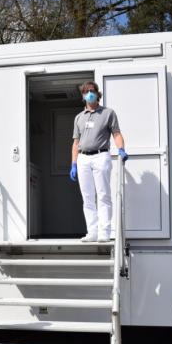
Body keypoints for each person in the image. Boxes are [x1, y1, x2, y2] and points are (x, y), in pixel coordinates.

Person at [69, 81, 129, 242]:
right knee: (87, 197)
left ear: (98, 94)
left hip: (101, 155)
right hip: (83, 158)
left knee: (103, 195)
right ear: (83, 95)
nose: (90, 93)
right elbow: (75, 142)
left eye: (92, 91)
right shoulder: (79, 118)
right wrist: (73, 164)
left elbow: (116, 134)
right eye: (86, 91)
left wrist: (121, 149)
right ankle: (92, 232)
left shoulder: (108, 113)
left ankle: (104, 232)